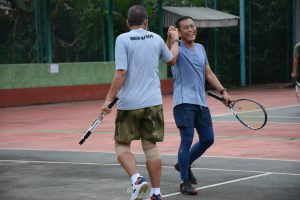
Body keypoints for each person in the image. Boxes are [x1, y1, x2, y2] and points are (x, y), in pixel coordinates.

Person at [100, 5, 179, 200]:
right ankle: (156, 193)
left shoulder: (122, 39)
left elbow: (121, 72)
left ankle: (136, 180)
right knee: (151, 147)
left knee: (122, 146)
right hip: (153, 103)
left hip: (129, 103)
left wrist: (108, 100)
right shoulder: (156, 38)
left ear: (127, 22)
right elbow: (171, 60)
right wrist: (175, 40)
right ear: (146, 22)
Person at [166, 16, 231, 195]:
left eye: (192, 26)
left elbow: (208, 72)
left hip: (201, 102)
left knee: (208, 139)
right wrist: (174, 40)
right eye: (185, 28)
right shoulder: (176, 48)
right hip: (183, 102)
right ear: (179, 32)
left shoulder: (201, 48)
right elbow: (170, 60)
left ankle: (182, 164)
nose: (190, 30)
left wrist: (222, 90)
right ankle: (184, 181)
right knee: (186, 140)